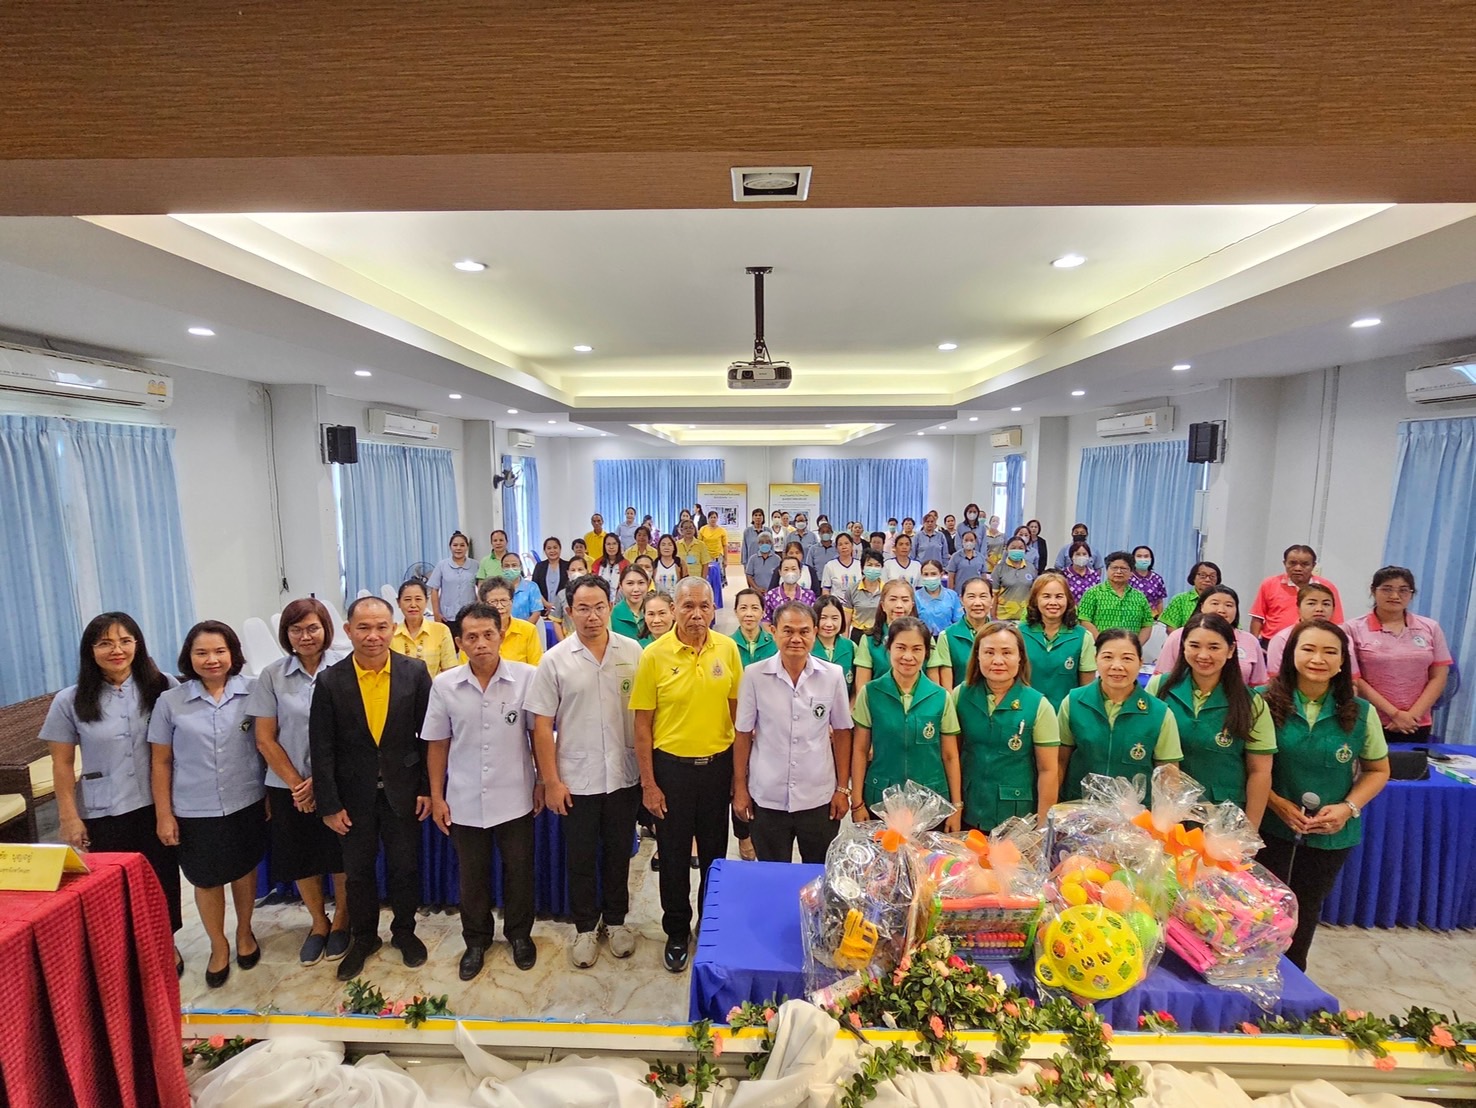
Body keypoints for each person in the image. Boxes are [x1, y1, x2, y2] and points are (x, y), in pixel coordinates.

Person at [44, 612, 182, 972]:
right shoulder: (70, 700)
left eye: (125, 640)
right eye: (105, 643)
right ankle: (127, 954)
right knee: (114, 886)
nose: (116, 650)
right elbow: (61, 764)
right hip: (105, 808)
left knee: (161, 877)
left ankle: (166, 945)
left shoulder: (162, 686)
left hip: (157, 803)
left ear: (138, 644)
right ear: (91, 650)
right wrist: (68, 817)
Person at [309, 596, 433, 982]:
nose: (374, 635)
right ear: (348, 631)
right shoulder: (331, 680)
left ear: (393, 628)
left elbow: (430, 738)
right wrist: (328, 804)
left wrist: (428, 788)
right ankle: (364, 938)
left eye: (382, 627)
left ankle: (404, 932)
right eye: (363, 627)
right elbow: (322, 746)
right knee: (358, 873)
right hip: (353, 796)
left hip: (404, 790)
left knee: (405, 868)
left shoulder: (415, 672)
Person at [1256, 619, 1391, 970]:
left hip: (1330, 835)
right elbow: (1246, 767)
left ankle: (1293, 982)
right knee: (1259, 907)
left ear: (1343, 661)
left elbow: (1378, 771)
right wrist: (1276, 802)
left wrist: (1348, 808)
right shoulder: (1261, 703)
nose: (1319, 658)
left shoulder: (1361, 712)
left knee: (1306, 905)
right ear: (1291, 655)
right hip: (1268, 826)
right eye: (1309, 649)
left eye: (1330, 651)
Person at [527, 576, 644, 968]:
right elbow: (541, 725)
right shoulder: (555, 659)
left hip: (624, 774)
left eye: (599, 607)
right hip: (575, 779)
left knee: (618, 854)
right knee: (579, 857)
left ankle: (616, 921)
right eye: (583, 609)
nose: (592, 616)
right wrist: (550, 781)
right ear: (569, 611)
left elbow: (646, 717)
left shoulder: (633, 652)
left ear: (610, 607)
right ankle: (584, 927)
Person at [630, 577, 742, 973]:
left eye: (704, 606)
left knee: (715, 856)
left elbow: (736, 716)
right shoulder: (654, 655)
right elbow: (642, 727)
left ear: (714, 609)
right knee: (674, 858)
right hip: (671, 771)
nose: (697, 614)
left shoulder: (727, 649)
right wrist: (649, 783)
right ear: (673, 609)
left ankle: (708, 924)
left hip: (717, 769)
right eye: (688, 606)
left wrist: (738, 777)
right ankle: (676, 930)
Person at [422, 603, 541, 978]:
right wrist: (438, 796)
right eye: (471, 637)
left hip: (516, 795)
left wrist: (541, 780)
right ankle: (476, 941)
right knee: (471, 876)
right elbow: (437, 743)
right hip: (464, 799)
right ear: (459, 642)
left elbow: (538, 735)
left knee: (519, 871)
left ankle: (520, 935)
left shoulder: (526, 678)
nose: (481, 643)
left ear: (501, 636)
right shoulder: (444, 685)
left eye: (488, 634)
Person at [149, 621, 265, 989]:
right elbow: (160, 762)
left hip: (246, 800)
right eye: (202, 652)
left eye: (219, 651)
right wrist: (164, 814)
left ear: (233, 655)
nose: (211, 659)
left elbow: (266, 744)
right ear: (189, 657)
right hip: (194, 807)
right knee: (206, 878)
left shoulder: (253, 692)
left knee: (245, 869)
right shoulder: (171, 702)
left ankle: (245, 932)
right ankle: (218, 944)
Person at [246, 599, 351, 966]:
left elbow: (354, 732)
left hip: (338, 781)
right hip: (289, 785)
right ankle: (318, 922)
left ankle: (342, 919)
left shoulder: (345, 666)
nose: (305, 636)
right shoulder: (272, 676)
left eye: (312, 628)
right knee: (304, 855)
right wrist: (297, 784)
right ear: (286, 635)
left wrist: (322, 782)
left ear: (326, 629)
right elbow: (264, 737)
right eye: (296, 630)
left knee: (340, 854)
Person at [733, 602, 854, 863]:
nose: (796, 639)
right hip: (768, 797)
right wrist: (740, 788)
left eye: (804, 631)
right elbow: (743, 734)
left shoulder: (832, 675)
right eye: (787, 631)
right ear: (773, 631)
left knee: (818, 874)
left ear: (815, 632)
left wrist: (843, 789)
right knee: (772, 876)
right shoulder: (755, 675)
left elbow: (843, 732)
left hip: (818, 797)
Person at [1147, 613, 1275, 823]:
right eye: (1195, 645)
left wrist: (1249, 832)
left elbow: (1259, 772)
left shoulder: (1251, 702)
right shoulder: (1159, 687)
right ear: (1184, 647)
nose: (1203, 655)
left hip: (1222, 816)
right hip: (1165, 813)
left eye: (1214, 647)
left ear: (1231, 650)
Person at [849, 617, 962, 828]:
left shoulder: (940, 697)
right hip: (880, 800)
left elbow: (950, 755)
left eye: (917, 649)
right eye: (900, 647)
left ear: (926, 653)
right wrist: (857, 803)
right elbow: (860, 750)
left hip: (931, 803)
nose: (908, 656)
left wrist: (956, 807)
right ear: (889, 648)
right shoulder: (871, 693)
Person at [951, 622, 1060, 831]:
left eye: (1007, 652)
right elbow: (951, 754)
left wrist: (1043, 828)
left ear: (1020, 657)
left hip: (1017, 819)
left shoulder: (1038, 705)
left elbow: (1048, 770)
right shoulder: (960, 696)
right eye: (989, 652)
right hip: (968, 811)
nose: (997, 661)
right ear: (978, 656)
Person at [1057, 629, 1182, 803]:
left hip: (1137, 819)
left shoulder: (1159, 713)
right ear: (1096, 659)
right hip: (1079, 812)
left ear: (1140, 662)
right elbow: (1059, 761)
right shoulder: (1073, 702)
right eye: (1108, 657)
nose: (1117, 666)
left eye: (1127, 658)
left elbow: (1168, 777)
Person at [1345, 566, 1452, 744]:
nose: (1395, 596)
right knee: (1369, 770)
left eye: (1403, 590)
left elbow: (1439, 676)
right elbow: (1356, 679)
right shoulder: (1352, 628)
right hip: (1370, 719)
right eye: (1387, 589)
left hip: (1416, 723)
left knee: (1413, 770)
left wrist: (1411, 716)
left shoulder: (1430, 627)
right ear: (1373, 591)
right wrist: (1394, 714)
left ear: (1411, 594)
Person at [1154, 585, 1267, 686]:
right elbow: (1162, 679)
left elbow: (1258, 685)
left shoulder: (1250, 640)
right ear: (1202, 606)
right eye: (1215, 603)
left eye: (1229, 605)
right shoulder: (1178, 636)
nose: (1221, 610)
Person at [1019, 574, 1097, 708]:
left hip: (1065, 716)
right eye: (1046, 596)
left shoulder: (1083, 637)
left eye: (1059, 596)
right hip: (1024, 712)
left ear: (1068, 601)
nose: (1053, 602)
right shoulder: (1018, 633)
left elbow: (1086, 690)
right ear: (1035, 600)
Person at [1250, 545, 1344, 640]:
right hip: (1271, 643)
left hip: (1311, 643)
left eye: (1305, 564)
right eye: (1292, 563)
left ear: (1313, 565)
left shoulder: (1326, 587)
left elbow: (1336, 622)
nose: (1298, 568)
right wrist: (1254, 644)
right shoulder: (1269, 584)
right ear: (1284, 563)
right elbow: (1257, 618)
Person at [853, 579, 927, 689]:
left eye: (905, 600)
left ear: (912, 605)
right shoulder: (869, 640)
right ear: (882, 605)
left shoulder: (925, 637)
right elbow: (862, 688)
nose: (899, 605)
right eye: (893, 599)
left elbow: (934, 685)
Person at [1263, 583, 1339, 680]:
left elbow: (1351, 679)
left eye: (1326, 604)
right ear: (1298, 608)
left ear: (1333, 609)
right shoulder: (1282, 639)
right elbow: (1275, 679)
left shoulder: (1343, 638)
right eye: (1311, 603)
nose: (1319, 609)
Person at [1076, 551, 1154, 643]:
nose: (1118, 572)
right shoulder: (1093, 593)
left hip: (1129, 650)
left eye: (1123, 568)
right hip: (1099, 649)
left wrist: (1136, 646)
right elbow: (1084, 620)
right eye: (1114, 568)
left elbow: (1147, 625)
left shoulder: (1140, 597)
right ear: (1107, 570)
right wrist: (1102, 643)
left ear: (1131, 572)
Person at [935, 576, 995, 690]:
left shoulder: (1001, 635)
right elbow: (947, 688)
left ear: (992, 599)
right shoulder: (947, 636)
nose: (977, 603)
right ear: (962, 600)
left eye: (983, 596)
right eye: (971, 597)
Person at [390, 579, 458, 676]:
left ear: (426, 601)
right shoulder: (391, 632)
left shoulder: (441, 630)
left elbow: (450, 672)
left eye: (418, 599)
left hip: (433, 690)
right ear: (398, 603)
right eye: (407, 600)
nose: (413, 605)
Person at [428, 531, 478, 623]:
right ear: (450, 547)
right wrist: (436, 613)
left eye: (462, 545)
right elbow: (434, 590)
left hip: (470, 616)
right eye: (455, 545)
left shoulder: (475, 565)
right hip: (447, 616)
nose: (458, 548)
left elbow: (481, 588)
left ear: (467, 547)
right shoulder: (442, 565)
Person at [1159, 561, 1222, 630]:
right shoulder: (1180, 599)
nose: (1207, 579)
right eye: (1202, 575)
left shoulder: (1223, 600)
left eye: (1212, 576)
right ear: (1193, 577)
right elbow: (1171, 628)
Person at [812, 595, 856, 692]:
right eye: (823, 618)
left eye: (835, 618)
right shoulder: (806, 647)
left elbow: (856, 687)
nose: (829, 624)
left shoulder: (851, 647)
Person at [992, 536, 1038, 621]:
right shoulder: (999, 568)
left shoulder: (1031, 567)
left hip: (1025, 618)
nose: (1017, 550)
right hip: (1003, 618)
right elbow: (994, 595)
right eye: (1013, 548)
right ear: (1007, 549)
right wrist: (993, 618)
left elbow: (1034, 593)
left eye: (1021, 548)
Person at [844, 550, 887, 641]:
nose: (873, 568)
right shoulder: (852, 589)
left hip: (879, 634)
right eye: (869, 565)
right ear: (862, 568)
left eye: (877, 565)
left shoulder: (887, 590)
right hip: (858, 634)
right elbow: (846, 621)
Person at [764, 554, 816, 624]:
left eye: (794, 569)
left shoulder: (809, 595)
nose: (790, 572)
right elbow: (765, 622)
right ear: (780, 572)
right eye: (786, 569)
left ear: (800, 572)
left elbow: (813, 621)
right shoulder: (770, 595)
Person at [915, 559, 963, 635]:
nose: (929, 577)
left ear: (941, 574)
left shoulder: (952, 596)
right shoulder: (915, 597)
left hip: (948, 638)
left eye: (933, 574)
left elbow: (959, 621)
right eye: (926, 574)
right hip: (923, 639)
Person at [732, 587, 777, 667]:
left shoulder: (775, 644)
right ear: (736, 612)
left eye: (755, 608)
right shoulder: (728, 644)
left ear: (763, 612)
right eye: (743, 608)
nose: (749, 614)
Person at [549, 556, 589, 641]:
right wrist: (563, 643)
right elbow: (556, 621)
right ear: (568, 573)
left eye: (580, 569)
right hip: (569, 640)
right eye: (573, 570)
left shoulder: (594, 592)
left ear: (587, 571)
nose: (576, 573)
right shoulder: (561, 595)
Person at [610, 565, 650, 641]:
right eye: (630, 583)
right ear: (621, 586)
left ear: (648, 584)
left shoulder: (655, 611)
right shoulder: (612, 614)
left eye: (641, 583)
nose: (636, 589)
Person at [532, 535, 570, 614]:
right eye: (549, 548)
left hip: (564, 610)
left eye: (555, 547)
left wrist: (556, 607)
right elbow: (534, 588)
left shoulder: (567, 566)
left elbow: (570, 589)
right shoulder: (539, 566)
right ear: (544, 550)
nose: (552, 551)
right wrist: (546, 604)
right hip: (543, 610)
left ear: (560, 549)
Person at [1128, 545, 1168, 617]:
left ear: (1151, 559)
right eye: (1139, 556)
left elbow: (1159, 601)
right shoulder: (1127, 577)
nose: (1143, 559)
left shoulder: (1157, 578)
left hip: (1152, 618)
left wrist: (1160, 619)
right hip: (1130, 617)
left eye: (1146, 556)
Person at [821, 531, 862, 597]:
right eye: (840, 544)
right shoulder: (830, 565)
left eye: (846, 543)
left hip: (857, 603)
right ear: (836, 548)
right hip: (837, 605)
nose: (844, 547)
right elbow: (826, 590)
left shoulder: (860, 565)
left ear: (852, 545)